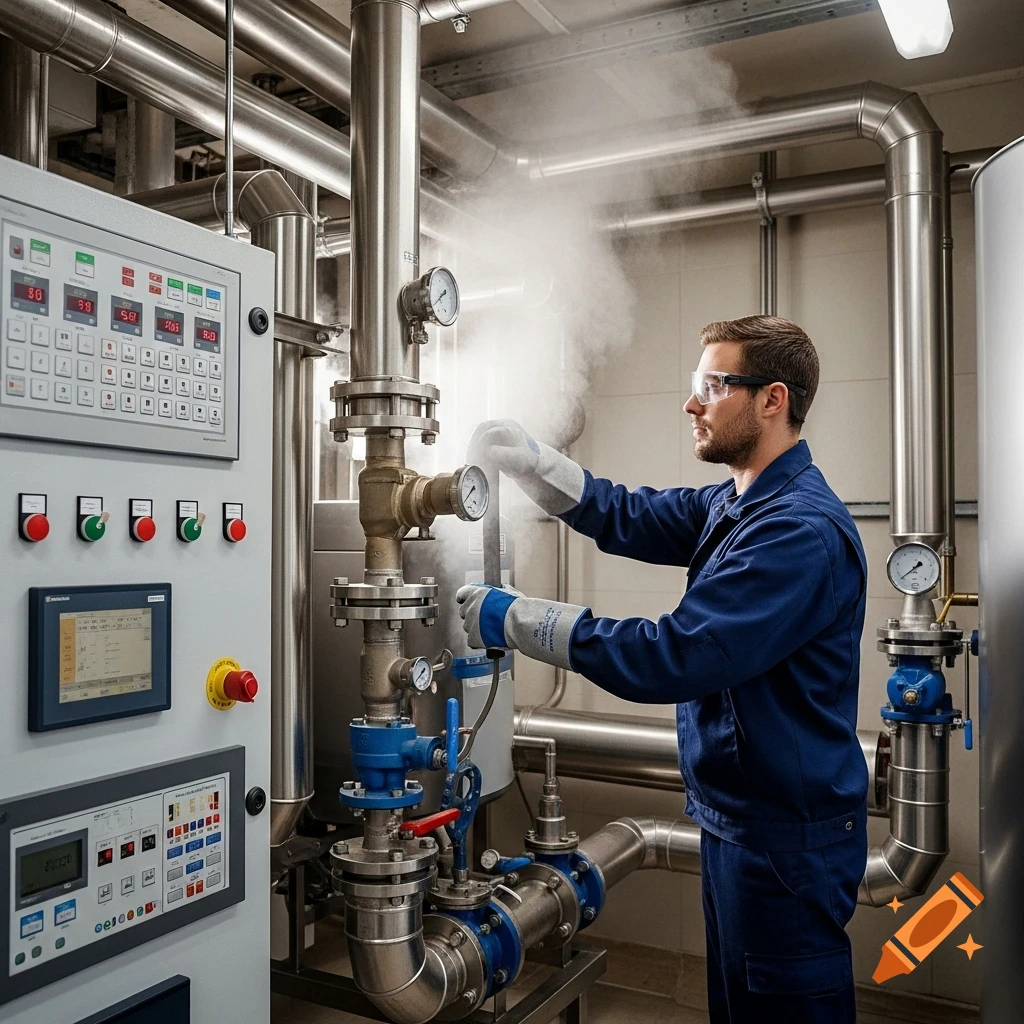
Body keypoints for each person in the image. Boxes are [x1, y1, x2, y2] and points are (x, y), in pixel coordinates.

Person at [457, 315, 869, 1024]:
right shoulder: (740, 501)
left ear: (772, 399)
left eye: (712, 385)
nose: (691, 404)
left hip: (783, 841)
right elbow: (633, 514)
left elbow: (675, 656)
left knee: (784, 1009)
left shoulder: (796, 531)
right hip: (742, 825)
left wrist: (520, 619)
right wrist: (535, 463)